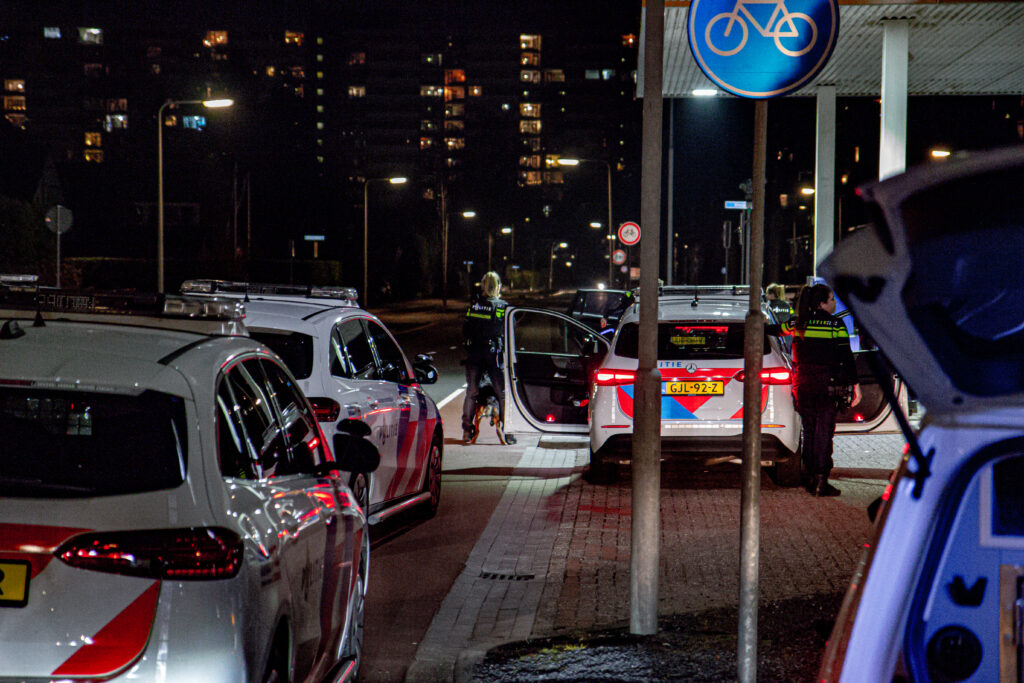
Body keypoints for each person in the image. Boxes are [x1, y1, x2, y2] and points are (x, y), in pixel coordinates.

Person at [789, 283, 861, 497]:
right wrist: (855, 385)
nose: (835, 303)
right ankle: (821, 480)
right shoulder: (835, 325)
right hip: (826, 384)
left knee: (809, 430)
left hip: (803, 384)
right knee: (823, 432)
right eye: (831, 300)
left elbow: (774, 329)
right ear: (821, 304)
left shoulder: (798, 324)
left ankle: (809, 476)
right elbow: (846, 357)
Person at [461, 271, 508, 444]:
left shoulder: (474, 306)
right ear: (498, 287)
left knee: (472, 392)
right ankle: (506, 430)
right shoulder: (502, 306)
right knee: (502, 393)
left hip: (474, 354)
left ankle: (467, 431)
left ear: (483, 286)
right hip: (493, 354)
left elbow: (466, 329)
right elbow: (507, 331)